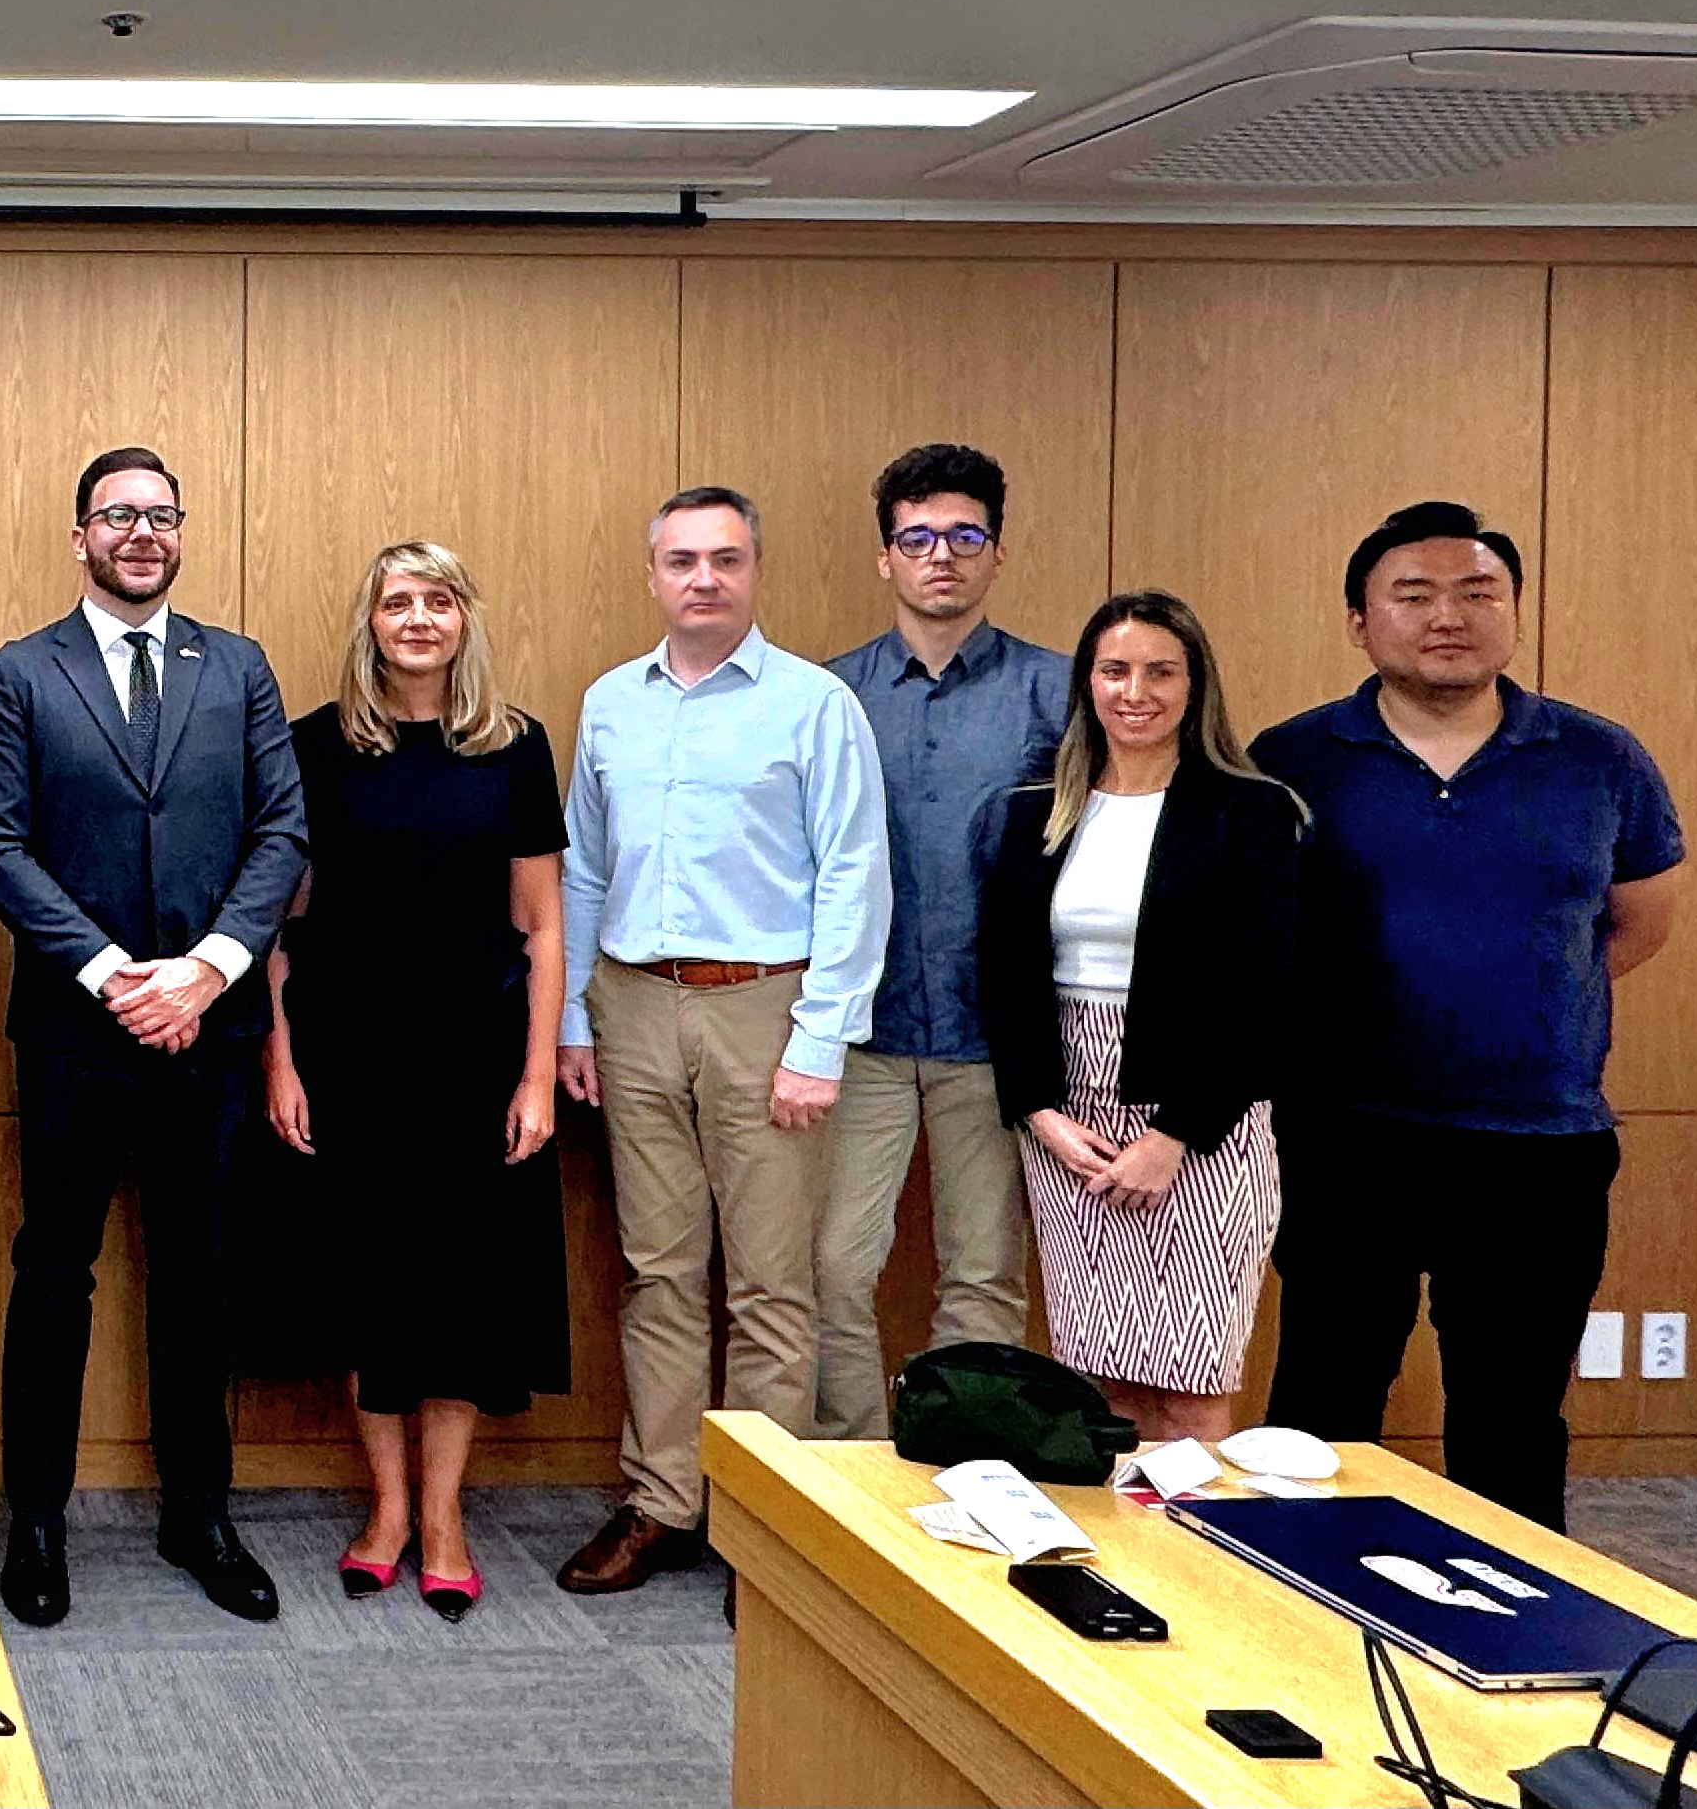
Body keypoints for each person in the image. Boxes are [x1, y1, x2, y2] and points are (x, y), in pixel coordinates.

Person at [1252, 503, 1682, 1530]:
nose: (1447, 615)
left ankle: (1511, 1618)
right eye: (1413, 594)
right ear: (1358, 620)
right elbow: (1254, 938)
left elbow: (1636, 923)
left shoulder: (1599, 758)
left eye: (1477, 591)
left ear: (1515, 612)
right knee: (1322, 1406)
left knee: (1511, 1420)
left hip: (1536, 1147)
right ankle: (1300, 1604)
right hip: (1341, 1134)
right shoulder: (1292, 758)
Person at [0, 445, 308, 1628]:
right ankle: (37, 1520)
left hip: (207, 1029)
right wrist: (115, 975)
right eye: (117, 515)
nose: (141, 533)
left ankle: (198, 1516)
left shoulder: (238, 666)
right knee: (53, 1270)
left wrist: (207, 970)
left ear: (179, 532)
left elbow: (281, 831)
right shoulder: (20, 673)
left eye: (160, 514)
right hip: (75, 1027)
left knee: (198, 1272)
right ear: (79, 537)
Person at [553, 486, 890, 1595]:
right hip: (634, 1004)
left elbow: (853, 875)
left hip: (765, 1008)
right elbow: (584, 869)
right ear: (652, 574)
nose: (704, 577)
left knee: (770, 1285)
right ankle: (661, 1499)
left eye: (726, 558)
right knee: (656, 1273)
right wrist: (574, 1019)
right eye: (683, 559)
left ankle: (761, 1529)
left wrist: (820, 1042)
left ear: (754, 571)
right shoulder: (611, 703)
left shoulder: (814, 704)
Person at [258, 541, 567, 1624]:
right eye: (398, 601)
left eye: (439, 600)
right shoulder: (314, 744)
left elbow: (542, 924)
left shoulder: (514, 744)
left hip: (476, 1061)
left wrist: (538, 1073)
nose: (419, 618)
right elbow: (280, 923)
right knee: (370, 1289)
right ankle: (386, 1510)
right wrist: (280, 1056)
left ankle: (443, 1518)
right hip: (349, 1058)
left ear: (464, 618)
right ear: (371, 621)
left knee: (458, 1295)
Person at [978, 591, 1305, 1445]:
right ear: (1087, 684)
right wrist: (1041, 1113)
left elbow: (1265, 993)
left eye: (1161, 671)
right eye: (1115, 670)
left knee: (1190, 1382)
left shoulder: (1250, 810)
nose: (1136, 692)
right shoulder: (1038, 807)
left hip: (1205, 1115)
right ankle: (1117, 1538)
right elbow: (1005, 971)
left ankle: (1190, 1540)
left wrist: (1174, 1137)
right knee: (1104, 1384)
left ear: (1195, 686)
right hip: (1071, 1115)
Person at [815, 446, 1066, 1438]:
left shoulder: (1058, 692)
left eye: (965, 535)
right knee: (831, 1266)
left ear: (998, 552)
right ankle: (851, 1473)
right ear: (884, 557)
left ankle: (961, 1471)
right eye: (916, 538)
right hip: (859, 1030)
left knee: (983, 1273)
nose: (941, 556)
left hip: (994, 1033)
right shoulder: (828, 696)